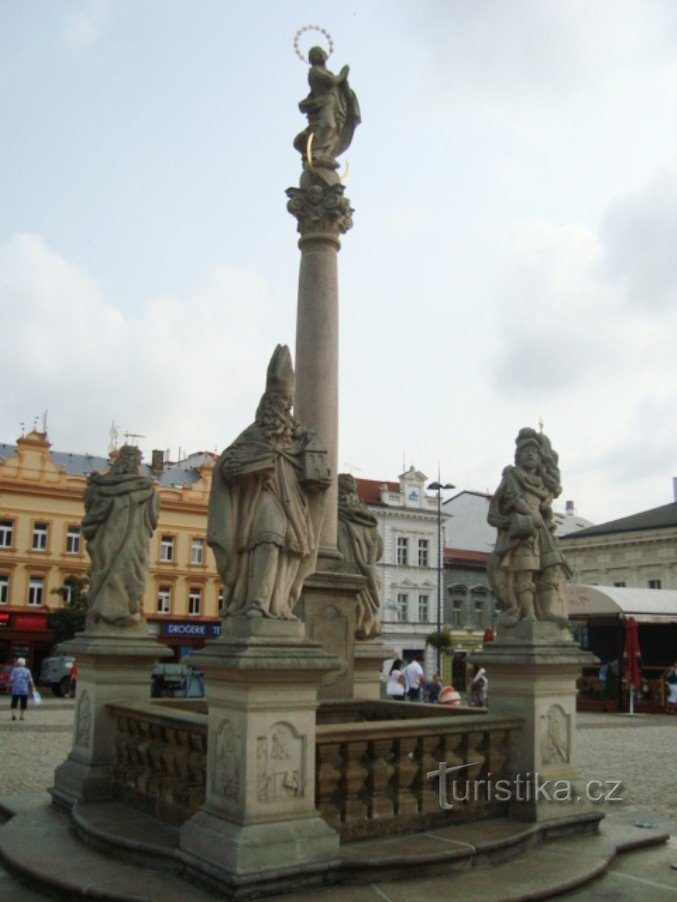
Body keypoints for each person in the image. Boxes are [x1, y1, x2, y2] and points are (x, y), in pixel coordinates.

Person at [208, 345, 330, 620]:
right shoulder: (254, 433)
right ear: (268, 404)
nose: (287, 406)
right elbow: (227, 464)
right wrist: (245, 468)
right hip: (263, 496)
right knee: (267, 538)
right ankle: (256, 602)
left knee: (290, 550)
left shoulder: (298, 437)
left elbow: (315, 469)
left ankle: (281, 604)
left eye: (289, 401)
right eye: (282, 400)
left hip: (294, 501)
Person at [487, 428, 572, 627]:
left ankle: (546, 611)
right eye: (526, 451)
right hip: (525, 530)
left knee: (551, 567)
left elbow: (553, 482)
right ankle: (528, 613)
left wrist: (544, 509)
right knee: (526, 570)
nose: (531, 454)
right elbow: (512, 497)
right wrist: (530, 512)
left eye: (534, 451)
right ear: (518, 456)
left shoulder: (542, 482)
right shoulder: (513, 475)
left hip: (542, 529)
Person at [82, 444, 159, 628]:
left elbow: (151, 518)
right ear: (128, 461)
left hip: (129, 541)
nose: (137, 465)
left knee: (131, 575)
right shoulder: (141, 488)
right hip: (114, 540)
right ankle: (112, 613)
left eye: (139, 462)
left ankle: (127, 612)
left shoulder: (108, 486)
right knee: (111, 571)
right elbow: (152, 518)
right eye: (137, 461)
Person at [293, 46, 361, 176]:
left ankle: (327, 155)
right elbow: (330, 81)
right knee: (328, 125)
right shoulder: (314, 71)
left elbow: (345, 92)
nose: (319, 56)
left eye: (320, 53)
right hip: (323, 103)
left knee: (335, 131)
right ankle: (314, 153)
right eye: (314, 55)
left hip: (336, 105)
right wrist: (343, 74)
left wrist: (344, 81)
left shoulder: (327, 71)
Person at [337, 473, 383, 640]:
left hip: (347, 581)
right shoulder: (369, 522)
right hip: (367, 579)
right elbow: (379, 551)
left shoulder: (336, 519)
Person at [9, 657, 35, 721]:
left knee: (14, 702)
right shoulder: (27, 671)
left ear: (18, 663)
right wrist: (33, 687)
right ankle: (22, 716)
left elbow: (11, 679)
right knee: (23, 703)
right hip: (24, 689)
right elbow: (30, 680)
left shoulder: (14, 670)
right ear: (24, 664)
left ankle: (13, 715)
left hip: (15, 689)